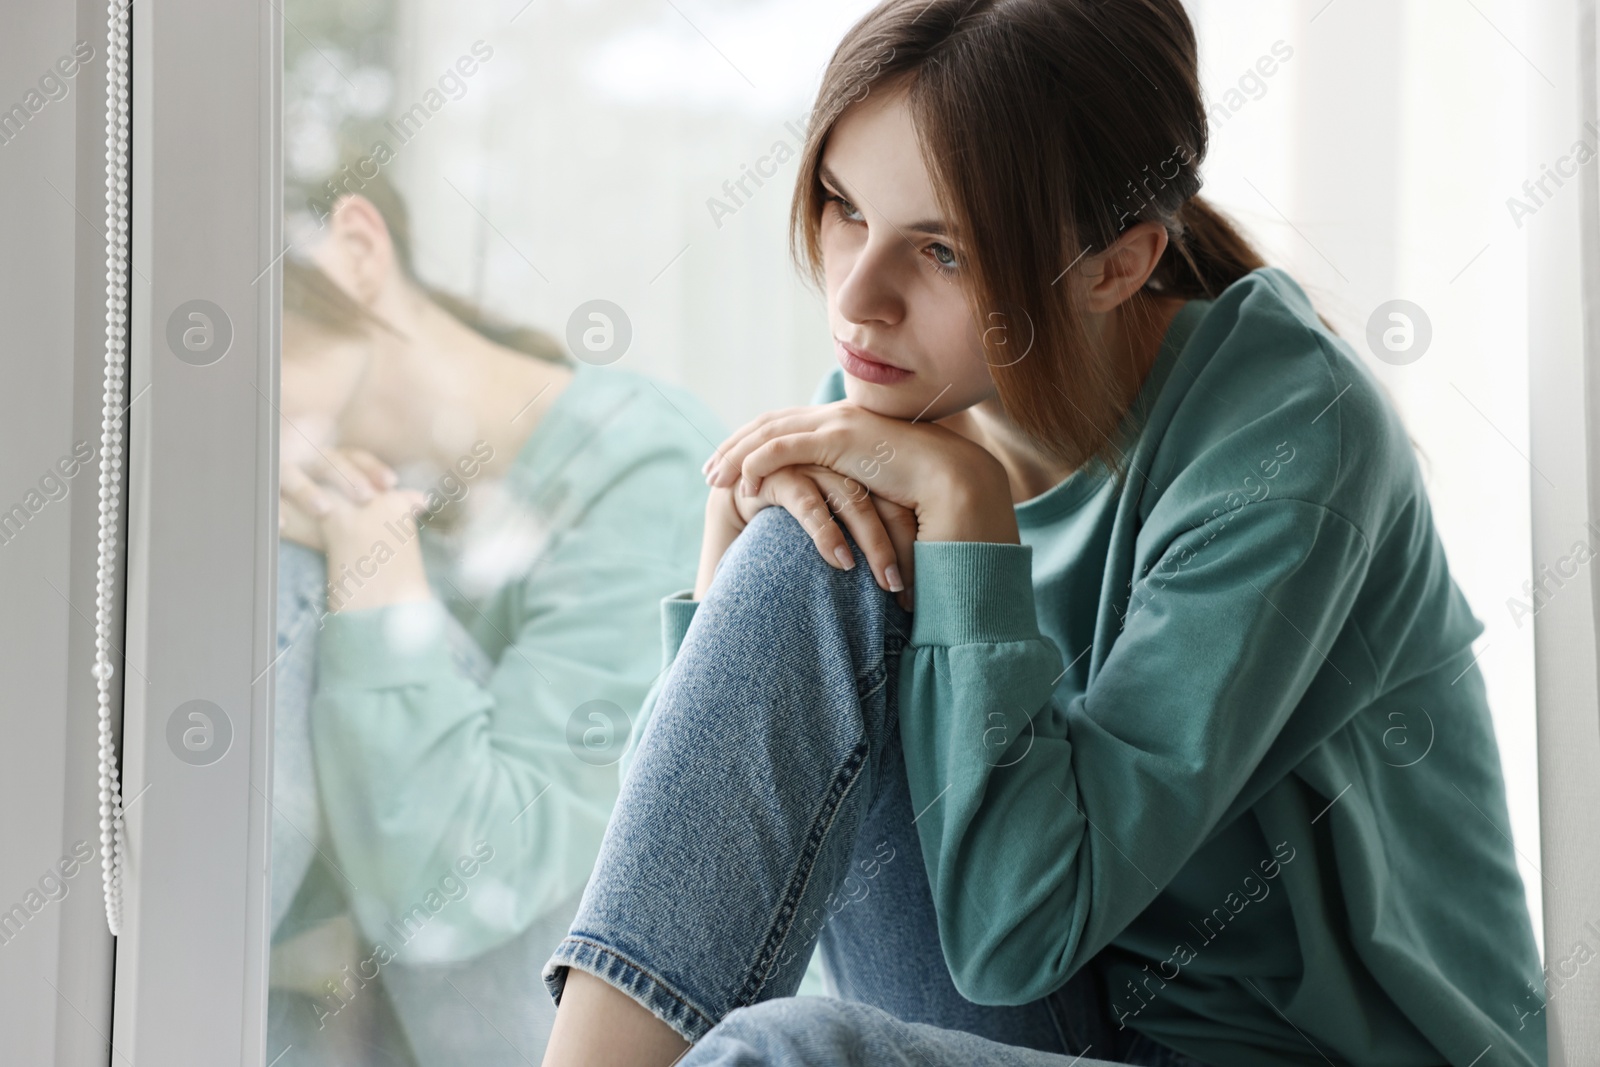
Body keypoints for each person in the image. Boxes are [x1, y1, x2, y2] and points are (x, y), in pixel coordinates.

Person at [535, 1, 1547, 1065]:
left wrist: (971, 520)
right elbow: (702, 860)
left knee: (781, 1057)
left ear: (1114, 265)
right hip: (1058, 1016)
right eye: (841, 206)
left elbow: (1017, 930)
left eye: (941, 251)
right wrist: (726, 547)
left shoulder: (1286, 435)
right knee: (810, 539)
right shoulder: (909, 393)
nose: (857, 295)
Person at [265, 172, 726, 1065]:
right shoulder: (376, 496)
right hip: (388, 1032)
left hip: (608, 1027)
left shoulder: (652, 467)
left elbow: (457, 886)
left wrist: (374, 572)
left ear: (358, 249)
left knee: (287, 567)